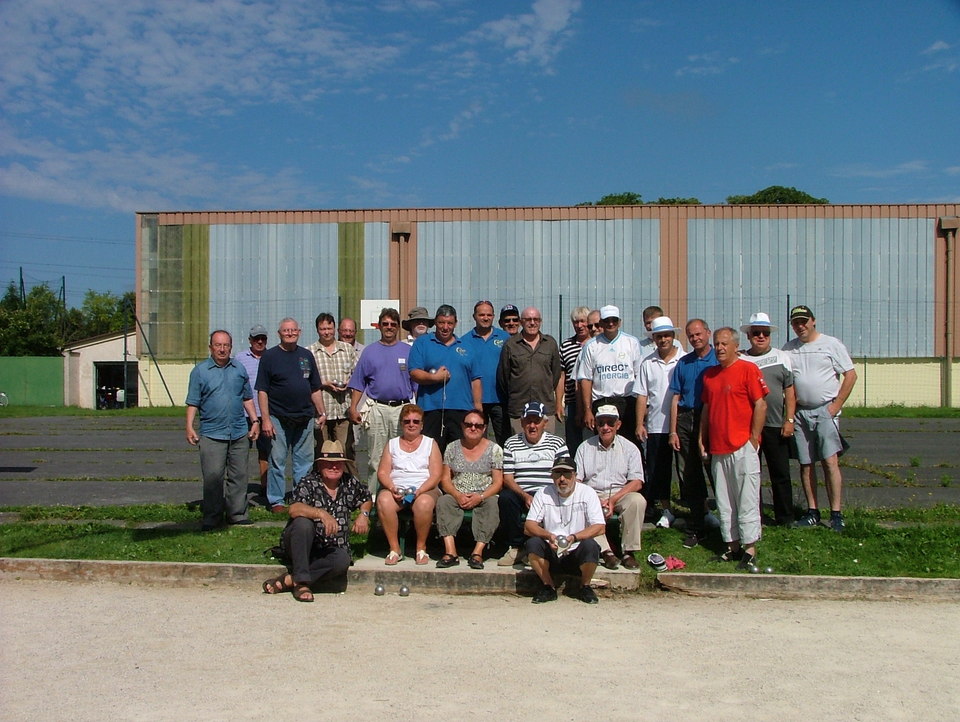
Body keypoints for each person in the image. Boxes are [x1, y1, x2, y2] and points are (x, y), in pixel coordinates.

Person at [261, 441, 372, 603]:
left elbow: (366, 498)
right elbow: (294, 508)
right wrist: (321, 514)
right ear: (320, 465)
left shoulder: (349, 483)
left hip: (331, 548)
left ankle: (291, 580)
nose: (334, 467)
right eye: (329, 464)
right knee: (302, 523)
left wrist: (364, 514)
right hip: (303, 544)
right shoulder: (309, 482)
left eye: (338, 464)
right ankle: (302, 585)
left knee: (342, 560)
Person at [782, 305, 858, 532]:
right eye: (796, 322)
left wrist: (835, 407)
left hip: (826, 410)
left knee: (830, 462)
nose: (800, 326)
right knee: (806, 464)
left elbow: (850, 375)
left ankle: (836, 514)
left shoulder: (831, 344)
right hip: (801, 413)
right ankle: (812, 512)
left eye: (804, 321)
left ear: (813, 321)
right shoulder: (789, 349)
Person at [700, 327, 768, 570]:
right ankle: (732, 545)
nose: (719, 348)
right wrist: (702, 439)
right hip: (718, 449)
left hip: (742, 446)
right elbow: (707, 410)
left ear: (735, 346)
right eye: (717, 344)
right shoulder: (709, 376)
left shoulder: (748, 369)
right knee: (724, 500)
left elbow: (760, 404)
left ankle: (750, 548)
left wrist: (753, 438)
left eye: (724, 344)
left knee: (746, 498)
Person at [185, 330, 259, 530]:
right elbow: (193, 402)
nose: (222, 349)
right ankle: (212, 516)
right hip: (212, 433)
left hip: (238, 432)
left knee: (239, 476)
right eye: (218, 345)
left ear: (231, 347)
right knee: (213, 477)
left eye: (226, 345)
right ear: (210, 347)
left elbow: (247, 398)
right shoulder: (200, 372)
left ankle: (237, 514)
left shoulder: (239, 369)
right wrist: (189, 426)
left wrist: (254, 421)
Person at [256, 318, 326, 513]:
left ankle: (300, 498)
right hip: (278, 417)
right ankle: (276, 500)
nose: (290, 333)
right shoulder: (269, 357)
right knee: (277, 461)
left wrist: (321, 412)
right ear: (279, 333)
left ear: (299, 332)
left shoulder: (306, 355)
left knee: (304, 463)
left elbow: (314, 388)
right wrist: (266, 419)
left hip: (304, 417)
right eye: (286, 331)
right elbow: (262, 391)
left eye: (293, 330)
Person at [347, 308, 414, 495]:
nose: (389, 328)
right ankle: (374, 499)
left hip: (402, 409)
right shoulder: (369, 352)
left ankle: (400, 495)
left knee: (401, 457)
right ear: (379, 326)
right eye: (385, 324)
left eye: (393, 324)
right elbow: (359, 383)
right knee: (376, 458)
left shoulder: (408, 351)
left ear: (399, 327)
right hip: (377, 409)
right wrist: (353, 408)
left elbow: (416, 383)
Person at [524, 456, 606, 604]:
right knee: (533, 543)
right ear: (552, 476)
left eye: (566, 474)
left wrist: (575, 537)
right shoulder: (543, 493)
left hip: (576, 550)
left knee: (591, 546)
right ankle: (548, 586)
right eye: (557, 474)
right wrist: (548, 536)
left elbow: (599, 527)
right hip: (552, 551)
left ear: (574, 475)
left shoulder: (587, 493)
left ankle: (585, 586)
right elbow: (529, 526)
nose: (562, 479)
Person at [740, 312, 797, 526]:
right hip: (749, 427)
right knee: (751, 474)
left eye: (765, 333)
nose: (761, 336)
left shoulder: (783, 357)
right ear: (749, 336)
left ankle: (785, 517)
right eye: (756, 333)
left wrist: (789, 420)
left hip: (775, 425)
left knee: (780, 473)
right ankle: (755, 517)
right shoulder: (741, 359)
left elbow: (790, 391)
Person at [497, 400, 569, 566]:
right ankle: (516, 547)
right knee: (506, 498)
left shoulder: (557, 443)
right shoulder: (511, 443)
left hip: (548, 493)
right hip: (522, 494)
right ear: (521, 422)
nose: (532, 425)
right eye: (528, 421)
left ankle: (540, 549)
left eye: (536, 421)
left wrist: (542, 496)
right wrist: (524, 496)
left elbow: (563, 474)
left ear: (545, 422)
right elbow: (507, 478)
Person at [575, 405, 645, 570]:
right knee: (581, 502)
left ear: (618, 425)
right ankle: (606, 551)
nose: (605, 427)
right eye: (601, 423)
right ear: (596, 424)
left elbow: (637, 481)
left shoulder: (630, 448)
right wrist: (594, 499)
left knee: (637, 501)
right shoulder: (584, 448)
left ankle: (629, 551)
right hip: (593, 493)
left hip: (620, 493)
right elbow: (577, 480)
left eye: (610, 423)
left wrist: (613, 499)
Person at [668, 318, 718, 548]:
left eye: (699, 334)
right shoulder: (684, 363)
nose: (696, 338)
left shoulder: (719, 359)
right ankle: (697, 525)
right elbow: (675, 397)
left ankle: (728, 527)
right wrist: (673, 431)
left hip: (711, 419)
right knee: (691, 475)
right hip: (686, 419)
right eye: (691, 335)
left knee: (716, 471)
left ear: (708, 333)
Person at [435, 408, 504, 569]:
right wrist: (457, 495)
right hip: (457, 491)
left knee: (492, 505)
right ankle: (450, 551)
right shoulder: (452, 447)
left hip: (484, 494)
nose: (473, 428)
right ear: (462, 426)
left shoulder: (495, 450)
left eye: (478, 426)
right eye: (469, 424)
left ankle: (477, 552)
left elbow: (498, 482)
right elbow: (445, 479)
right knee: (444, 501)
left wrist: (480, 497)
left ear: (484, 428)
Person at [408, 304, 482, 453]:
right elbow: (414, 372)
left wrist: (478, 407)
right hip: (431, 409)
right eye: (441, 322)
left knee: (459, 454)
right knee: (431, 453)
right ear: (435, 323)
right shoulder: (422, 343)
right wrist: (434, 378)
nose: (445, 327)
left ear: (455, 323)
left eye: (449, 323)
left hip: (462, 409)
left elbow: (476, 379)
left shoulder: (467, 346)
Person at [375, 403, 442, 565]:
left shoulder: (430, 443)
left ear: (422, 424)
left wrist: (420, 491)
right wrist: (392, 487)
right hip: (397, 488)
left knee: (424, 503)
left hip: (425, 488)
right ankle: (394, 549)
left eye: (415, 421)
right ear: (401, 424)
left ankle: (421, 548)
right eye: (407, 421)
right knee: (383, 500)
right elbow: (382, 472)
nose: (411, 425)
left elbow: (436, 475)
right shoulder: (392, 444)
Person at [635, 315, 683, 528]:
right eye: (659, 336)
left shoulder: (684, 359)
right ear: (653, 338)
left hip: (681, 425)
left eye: (666, 335)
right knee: (658, 470)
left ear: (673, 336)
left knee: (687, 470)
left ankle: (699, 509)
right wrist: (639, 423)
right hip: (656, 425)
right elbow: (642, 395)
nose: (663, 339)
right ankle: (667, 510)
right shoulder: (647, 363)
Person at [576, 304, 643, 437]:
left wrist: (643, 407)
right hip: (602, 402)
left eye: (614, 320)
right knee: (603, 442)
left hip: (627, 402)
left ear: (620, 322)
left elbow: (640, 377)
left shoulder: (632, 342)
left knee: (629, 444)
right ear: (601, 323)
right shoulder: (591, 346)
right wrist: (587, 410)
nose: (611, 323)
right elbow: (585, 379)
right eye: (607, 320)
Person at [497, 305, 563, 435]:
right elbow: (503, 377)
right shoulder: (511, 345)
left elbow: (556, 374)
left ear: (540, 321)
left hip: (545, 407)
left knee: (546, 448)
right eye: (528, 319)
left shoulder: (550, 343)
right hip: (519, 409)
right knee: (520, 449)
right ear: (521, 322)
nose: (532, 323)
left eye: (536, 319)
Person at [309, 313, 359, 476]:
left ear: (334, 328)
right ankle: (320, 486)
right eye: (322, 329)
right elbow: (306, 379)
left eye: (329, 328)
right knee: (322, 451)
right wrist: (324, 383)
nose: (326, 332)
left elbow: (358, 374)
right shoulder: (310, 352)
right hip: (321, 410)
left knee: (345, 450)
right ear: (317, 330)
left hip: (343, 409)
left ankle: (351, 484)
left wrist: (348, 383)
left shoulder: (347, 349)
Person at [461, 300, 511, 447]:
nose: (485, 318)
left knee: (504, 441)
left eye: (489, 315)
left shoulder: (505, 338)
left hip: (500, 400)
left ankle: (503, 469)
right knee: (476, 440)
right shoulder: (464, 341)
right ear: (474, 316)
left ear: (494, 316)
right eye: (481, 314)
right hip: (474, 401)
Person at [235, 324, 271, 496]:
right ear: (250, 340)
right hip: (244, 415)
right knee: (241, 452)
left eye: (263, 338)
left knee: (266, 452)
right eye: (256, 338)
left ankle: (265, 488)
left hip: (265, 414)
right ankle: (239, 488)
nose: (260, 341)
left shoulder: (272, 356)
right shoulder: (240, 358)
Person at [559, 306, 592, 453]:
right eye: (576, 322)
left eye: (583, 321)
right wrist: (559, 402)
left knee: (591, 442)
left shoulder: (597, 344)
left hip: (592, 401)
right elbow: (562, 376)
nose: (579, 326)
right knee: (573, 443)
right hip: (572, 402)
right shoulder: (566, 346)